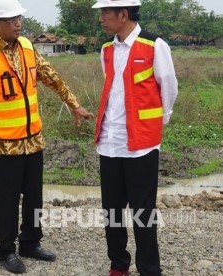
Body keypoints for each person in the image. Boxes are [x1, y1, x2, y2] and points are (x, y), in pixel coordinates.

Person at [0, 0, 93, 273]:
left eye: (19, 17)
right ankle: (5, 250)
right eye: (10, 19)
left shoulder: (28, 47)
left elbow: (51, 76)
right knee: (7, 198)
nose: (17, 23)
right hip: (2, 141)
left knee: (34, 195)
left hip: (32, 138)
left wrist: (74, 104)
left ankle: (30, 243)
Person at [91, 0, 178, 275]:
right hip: (110, 143)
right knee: (112, 212)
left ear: (123, 14)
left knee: (143, 213)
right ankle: (118, 264)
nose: (101, 19)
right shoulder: (105, 50)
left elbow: (169, 87)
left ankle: (150, 268)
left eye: (105, 13)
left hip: (141, 146)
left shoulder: (155, 46)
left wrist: (156, 124)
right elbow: (113, 89)